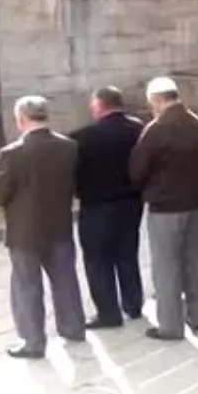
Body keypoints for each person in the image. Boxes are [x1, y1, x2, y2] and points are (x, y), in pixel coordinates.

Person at [0, 96, 86, 359]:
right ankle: (73, 327)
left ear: (21, 119)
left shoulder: (11, 154)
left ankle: (33, 341)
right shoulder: (69, 146)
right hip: (59, 225)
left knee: (27, 286)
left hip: (24, 231)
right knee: (65, 280)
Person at [131, 76, 198, 341]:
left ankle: (170, 325)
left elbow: (137, 169)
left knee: (166, 266)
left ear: (157, 100)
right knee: (196, 261)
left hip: (166, 206)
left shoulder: (156, 129)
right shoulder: (197, 123)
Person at [71, 86, 146, 329]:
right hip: (131, 203)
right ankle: (133, 304)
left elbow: (74, 173)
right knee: (127, 254)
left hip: (96, 205)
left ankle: (108, 312)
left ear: (100, 105)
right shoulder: (139, 130)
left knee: (97, 259)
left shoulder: (83, 137)